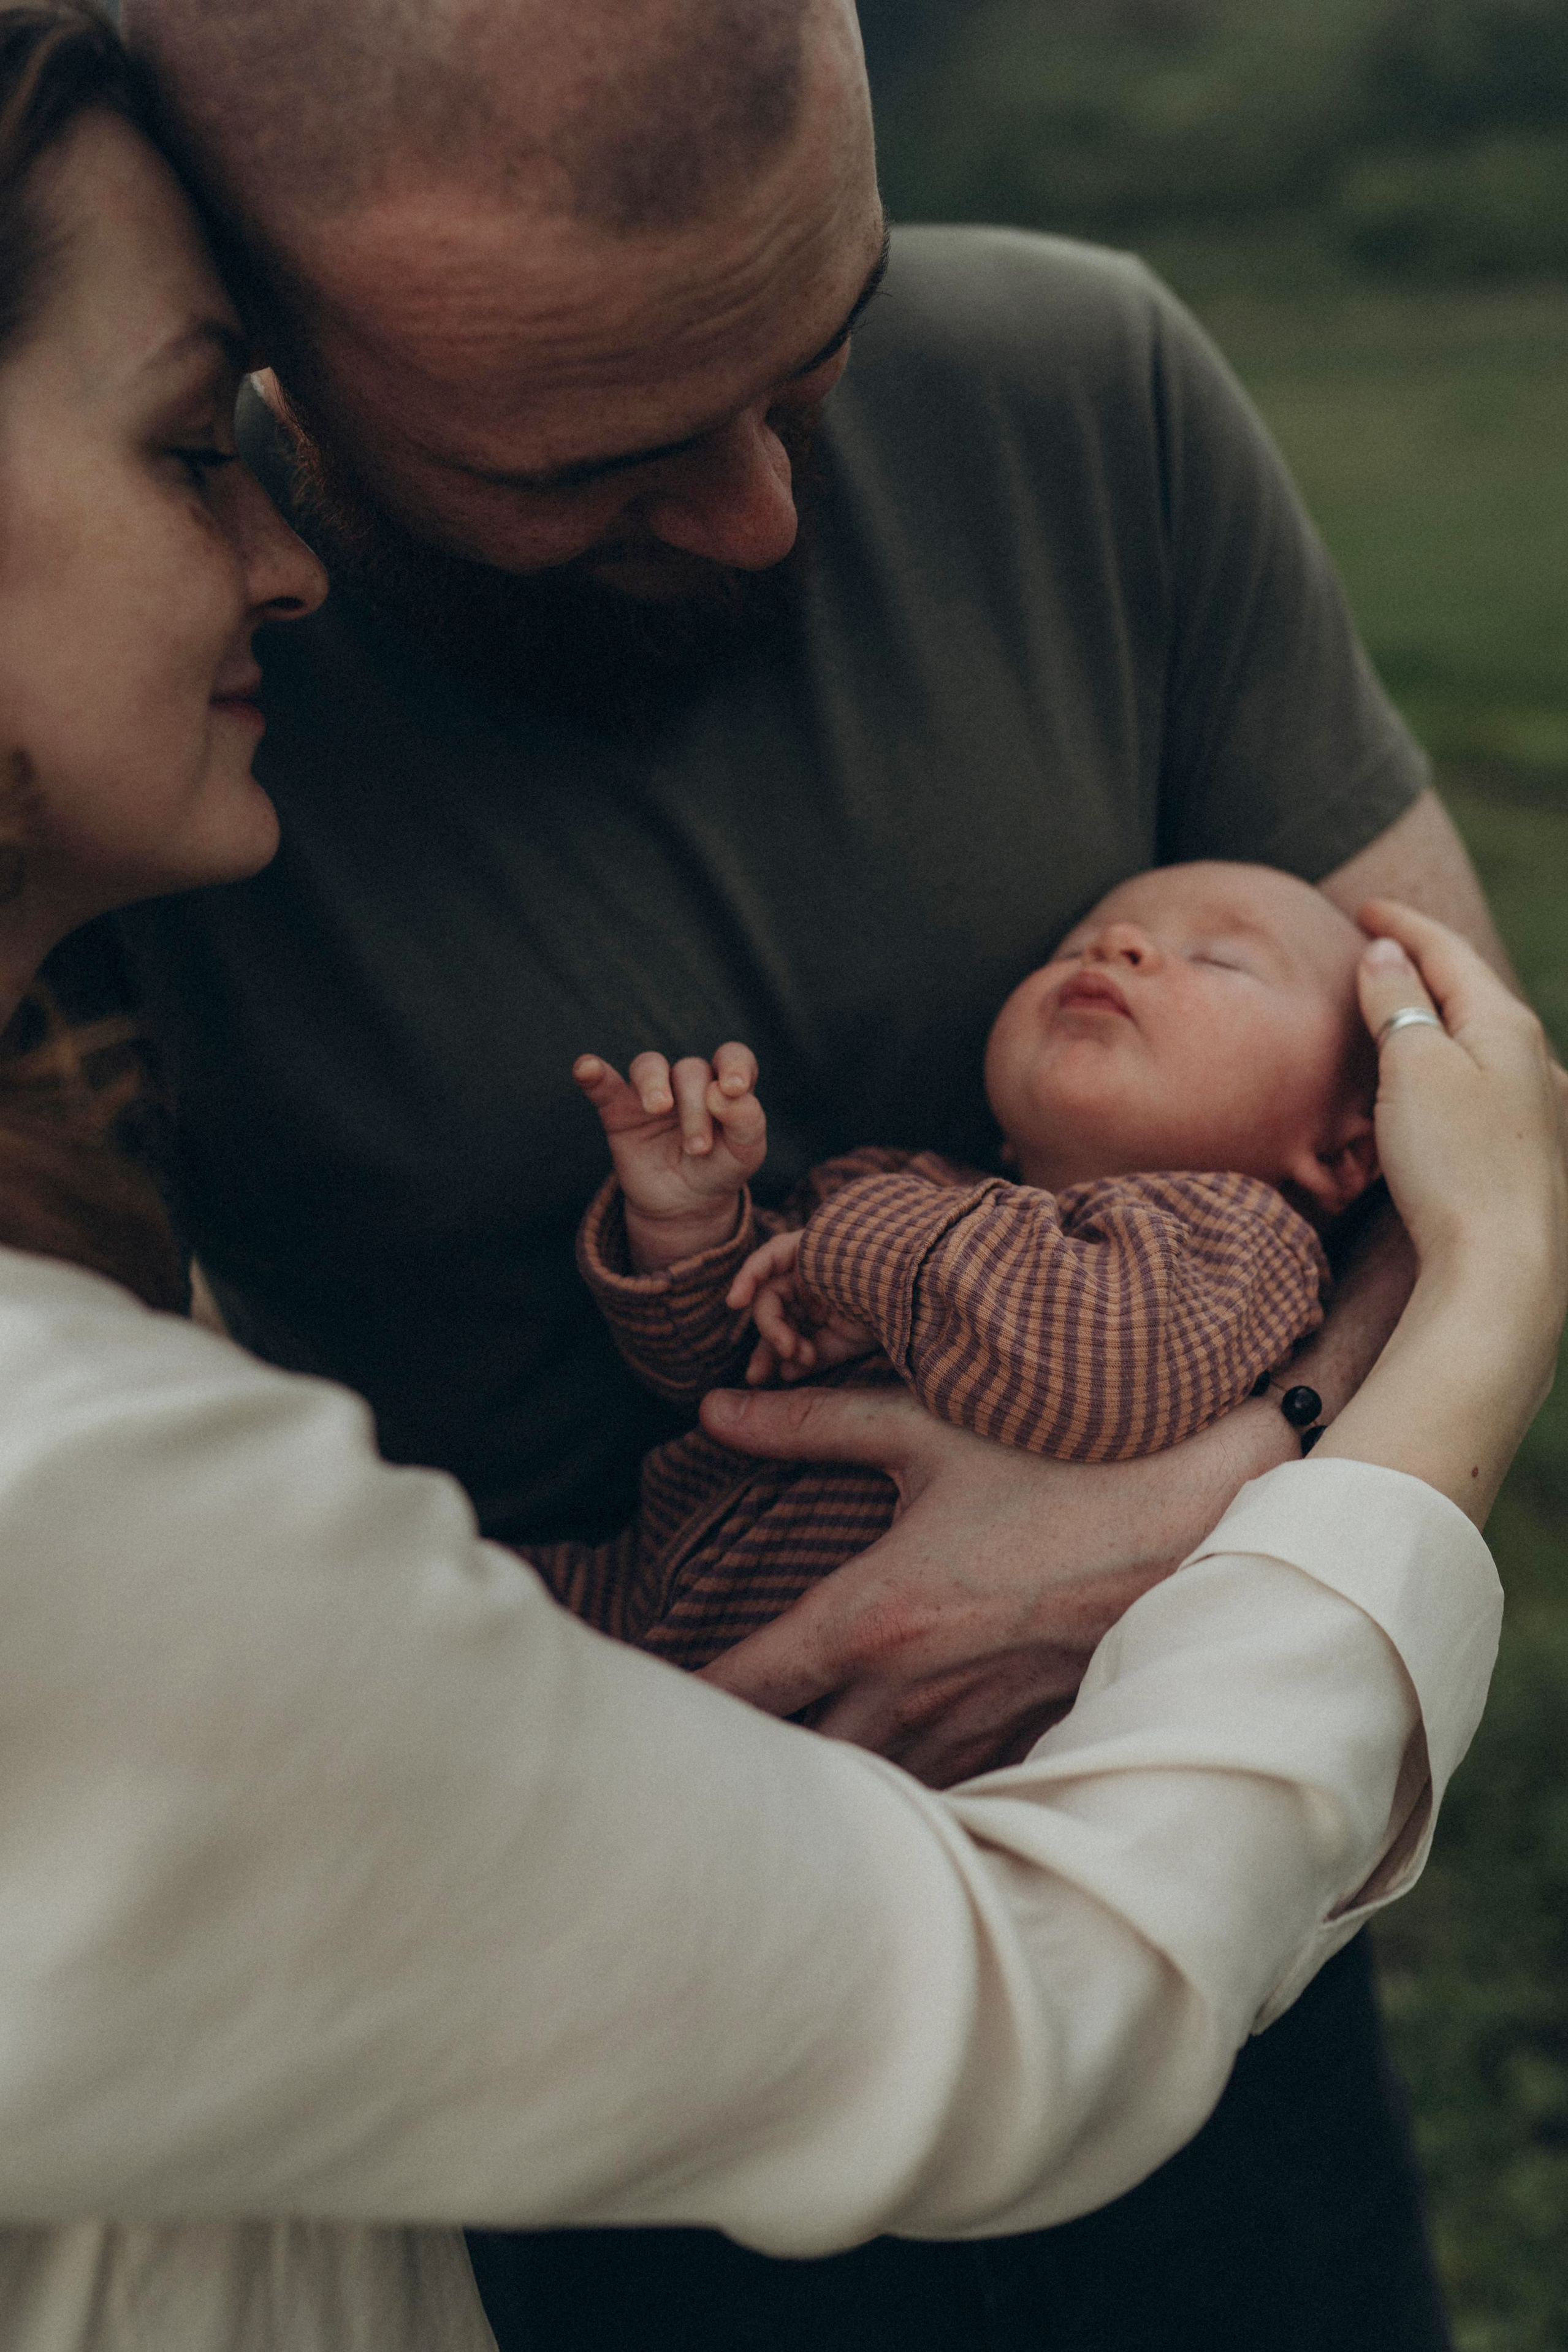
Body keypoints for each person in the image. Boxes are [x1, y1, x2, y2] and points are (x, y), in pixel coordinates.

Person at [0, 31, 1550, 2352]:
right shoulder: (159, 703)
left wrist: (1240, 1479)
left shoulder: (1085, 386)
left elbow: (1447, 1094)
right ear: (286, 354)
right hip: (546, 2043)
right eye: (597, 453)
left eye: (815, 351)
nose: (758, 516)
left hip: (1221, 1881)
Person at [549, 861, 1377, 1677]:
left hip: (861, 1732)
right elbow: (724, 1367)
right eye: (1075, 946)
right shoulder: (885, 1188)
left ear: (1341, 1152)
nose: (1116, 944)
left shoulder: (1246, 1245)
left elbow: (1106, 1367)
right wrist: (687, 1223)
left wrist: (863, 1241)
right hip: (621, 1601)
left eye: (1219, 959)